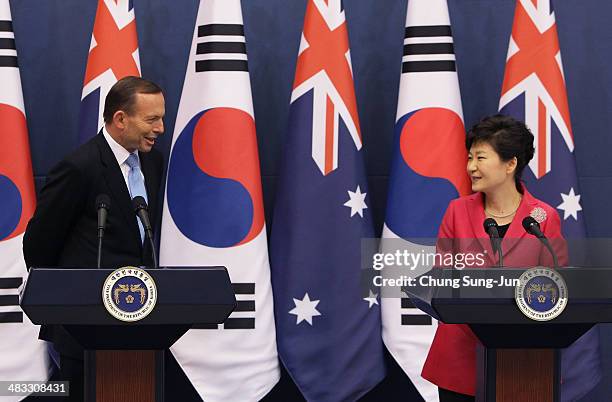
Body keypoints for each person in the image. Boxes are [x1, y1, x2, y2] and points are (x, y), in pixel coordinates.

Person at [23, 76, 165, 401]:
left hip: (141, 323)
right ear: (120, 119)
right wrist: (66, 301)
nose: (160, 128)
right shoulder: (79, 168)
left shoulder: (153, 162)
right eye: (152, 119)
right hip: (84, 327)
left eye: (161, 118)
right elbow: (39, 245)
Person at [420, 115, 567, 402]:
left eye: (480, 158)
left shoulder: (543, 217)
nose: (471, 167)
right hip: (460, 356)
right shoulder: (457, 211)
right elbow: (442, 277)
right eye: (469, 158)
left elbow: (557, 287)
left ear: (510, 164)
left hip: (524, 362)